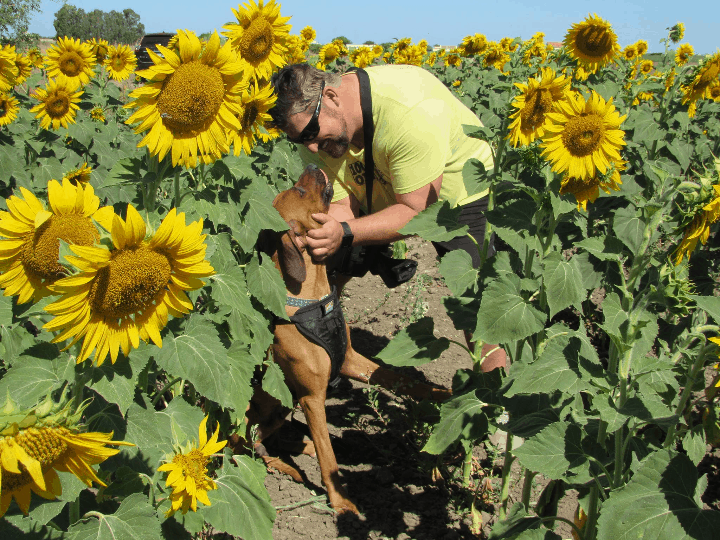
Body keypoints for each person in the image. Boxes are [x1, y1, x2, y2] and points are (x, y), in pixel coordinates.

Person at [268, 62, 506, 373]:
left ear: (331, 97)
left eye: (312, 133)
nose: (311, 146)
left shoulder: (410, 111)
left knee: (478, 305)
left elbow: (415, 212)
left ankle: (494, 402)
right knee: (331, 262)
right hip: (378, 182)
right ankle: (323, 351)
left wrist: (345, 232)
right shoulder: (316, 129)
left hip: (458, 192)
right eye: (300, 140)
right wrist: (330, 232)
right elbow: (341, 205)